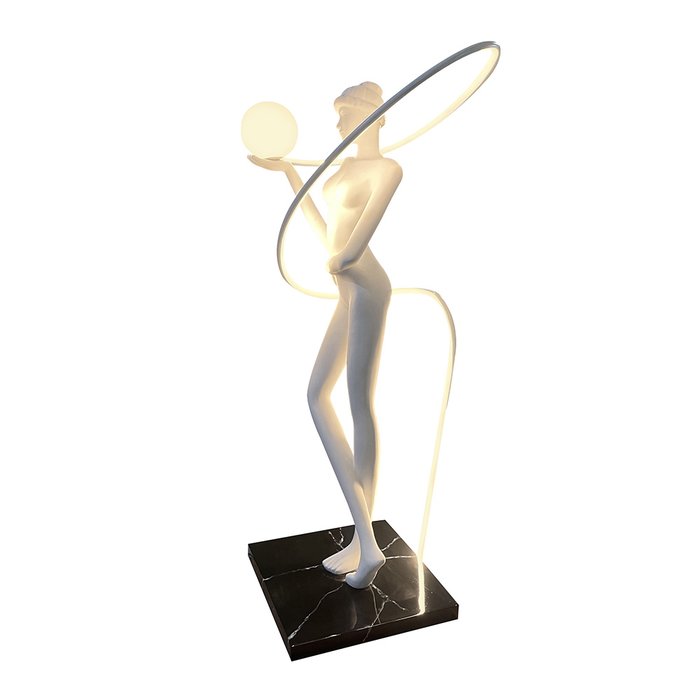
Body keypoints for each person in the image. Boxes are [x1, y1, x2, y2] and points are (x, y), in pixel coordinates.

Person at [249, 82, 402, 588]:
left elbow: (355, 245)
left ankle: (365, 542)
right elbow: (327, 235)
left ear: (375, 115)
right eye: (338, 116)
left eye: (347, 114)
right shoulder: (340, 172)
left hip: (369, 287)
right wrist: (290, 173)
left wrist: (340, 260)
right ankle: (365, 539)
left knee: (359, 402)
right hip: (346, 292)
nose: (339, 125)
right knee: (317, 395)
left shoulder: (388, 169)